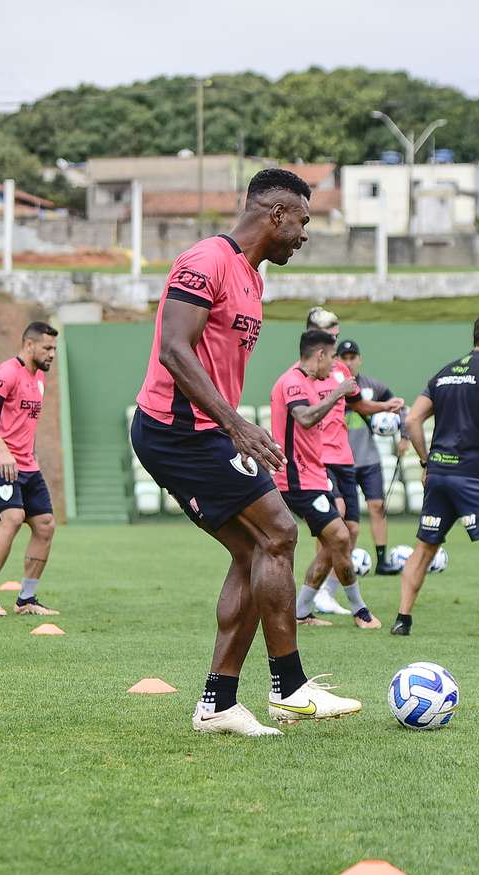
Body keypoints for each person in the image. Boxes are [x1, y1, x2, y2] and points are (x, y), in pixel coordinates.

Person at [130, 168, 361, 737]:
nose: (304, 236)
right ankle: (291, 688)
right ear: (276, 213)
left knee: (256, 553)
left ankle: (218, 704)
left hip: (206, 428)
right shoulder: (205, 259)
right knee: (280, 532)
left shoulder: (253, 279)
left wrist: (230, 421)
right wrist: (234, 425)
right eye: (303, 222)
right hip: (177, 428)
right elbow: (173, 350)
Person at [392, 312, 479, 638]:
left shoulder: (443, 373)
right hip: (473, 475)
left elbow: (411, 421)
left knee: (424, 547)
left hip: (439, 474)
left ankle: (403, 619)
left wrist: (427, 463)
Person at [271, 330, 380, 630]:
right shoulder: (292, 381)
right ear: (320, 355)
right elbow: (304, 417)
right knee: (341, 537)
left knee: (336, 541)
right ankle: (360, 612)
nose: (333, 365)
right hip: (296, 479)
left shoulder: (310, 381)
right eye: (332, 358)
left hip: (315, 475)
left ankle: (302, 612)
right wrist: (337, 393)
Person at [305, 309, 399, 612]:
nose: (335, 336)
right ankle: (312, 595)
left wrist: (387, 405)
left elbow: (359, 405)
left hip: (345, 458)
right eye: (330, 331)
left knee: (352, 530)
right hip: (321, 458)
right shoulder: (304, 371)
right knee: (335, 522)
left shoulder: (343, 373)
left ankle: (325, 591)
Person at [0, 322, 60, 617]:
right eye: (47, 347)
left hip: (27, 464)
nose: (52, 354)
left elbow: (23, 423)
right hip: (1, 461)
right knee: (14, 518)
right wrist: (3, 451)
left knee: (45, 525)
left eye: (54, 348)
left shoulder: (39, 377)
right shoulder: (8, 372)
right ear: (29, 345)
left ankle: (26, 599)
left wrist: (29, 455)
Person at [336, 339, 407, 575]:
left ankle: (382, 560)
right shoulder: (331, 386)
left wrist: (405, 436)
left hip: (369, 460)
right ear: (337, 360)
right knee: (342, 516)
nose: (348, 361)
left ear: (359, 359)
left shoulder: (372, 386)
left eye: (352, 357)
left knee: (377, 506)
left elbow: (400, 408)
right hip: (341, 461)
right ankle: (339, 564)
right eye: (343, 357)